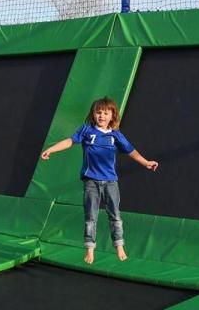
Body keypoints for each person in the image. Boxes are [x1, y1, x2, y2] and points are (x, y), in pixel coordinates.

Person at [40, 97, 158, 264]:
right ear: (93, 114)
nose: (102, 116)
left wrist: (146, 162)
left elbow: (131, 151)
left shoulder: (116, 135)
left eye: (105, 113)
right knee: (91, 216)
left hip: (110, 181)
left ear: (112, 116)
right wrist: (51, 150)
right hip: (91, 181)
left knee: (115, 215)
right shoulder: (87, 130)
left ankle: (119, 245)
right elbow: (70, 141)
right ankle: (90, 248)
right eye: (98, 112)